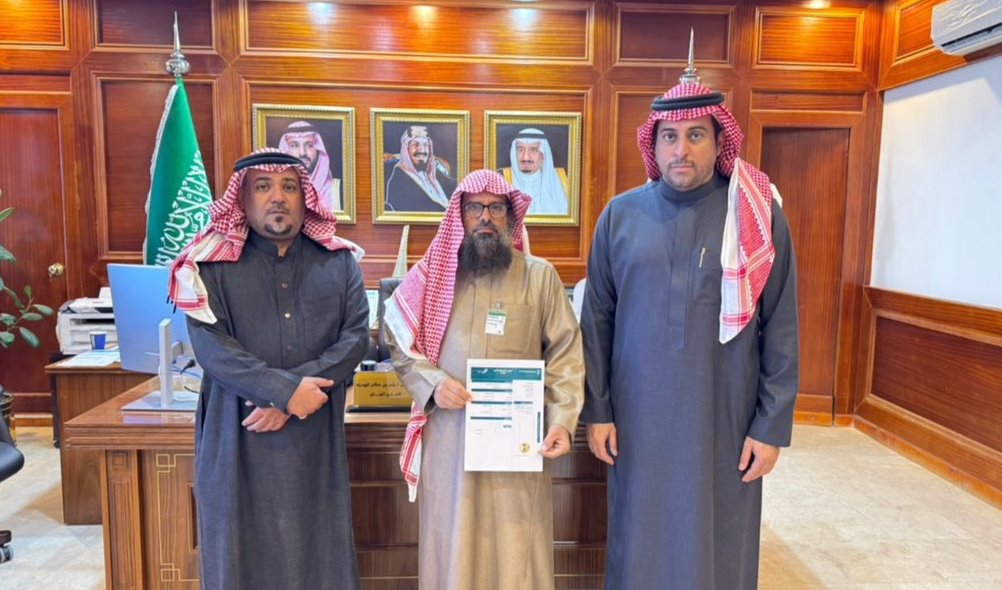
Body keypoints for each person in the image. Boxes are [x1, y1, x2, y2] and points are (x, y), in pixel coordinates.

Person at [580, 58, 799, 590]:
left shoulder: (755, 216)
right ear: (653, 146)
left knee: (719, 540)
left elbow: (781, 325)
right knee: (640, 538)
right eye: (670, 137)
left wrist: (769, 427)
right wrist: (599, 412)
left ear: (719, 140)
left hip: (724, 421)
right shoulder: (619, 217)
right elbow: (596, 323)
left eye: (696, 135)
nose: (682, 149)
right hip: (637, 422)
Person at [168, 148, 370, 590]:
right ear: (241, 200)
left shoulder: (338, 263)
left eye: (289, 187)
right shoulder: (209, 267)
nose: (277, 197)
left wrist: (293, 397)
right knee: (238, 550)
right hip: (236, 431)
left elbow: (356, 338)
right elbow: (213, 349)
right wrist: (286, 392)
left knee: (318, 548)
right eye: (263, 187)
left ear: (305, 198)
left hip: (314, 430)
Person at [383, 169, 584, 590]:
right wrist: (433, 384)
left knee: (516, 548)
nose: (485, 217)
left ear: (511, 216)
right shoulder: (433, 276)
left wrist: (562, 421)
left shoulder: (539, 277)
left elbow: (565, 355)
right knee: (452, 544)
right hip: (450, 438)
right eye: (475, 207)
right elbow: (398, 339)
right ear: (460, 215)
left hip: (519, 443)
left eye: (496, 208)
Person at [385, 125, 457, 212]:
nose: (422, 150)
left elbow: (451, 184)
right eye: (415, 144)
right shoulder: (398, 182)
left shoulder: (431, 170)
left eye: (426, 145)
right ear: (406, 150)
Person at [500, 128, 570, 215]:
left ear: (543, 155)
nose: (526, 157)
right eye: (520, 149)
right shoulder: (501, 178)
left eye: (533, 150)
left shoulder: (563, 180)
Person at [278, 120, 342, 212]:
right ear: (285, 150)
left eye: (309, 145)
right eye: (294, 145)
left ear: (318, 149)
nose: (302, 153)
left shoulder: (336, 191)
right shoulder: (276, 192)